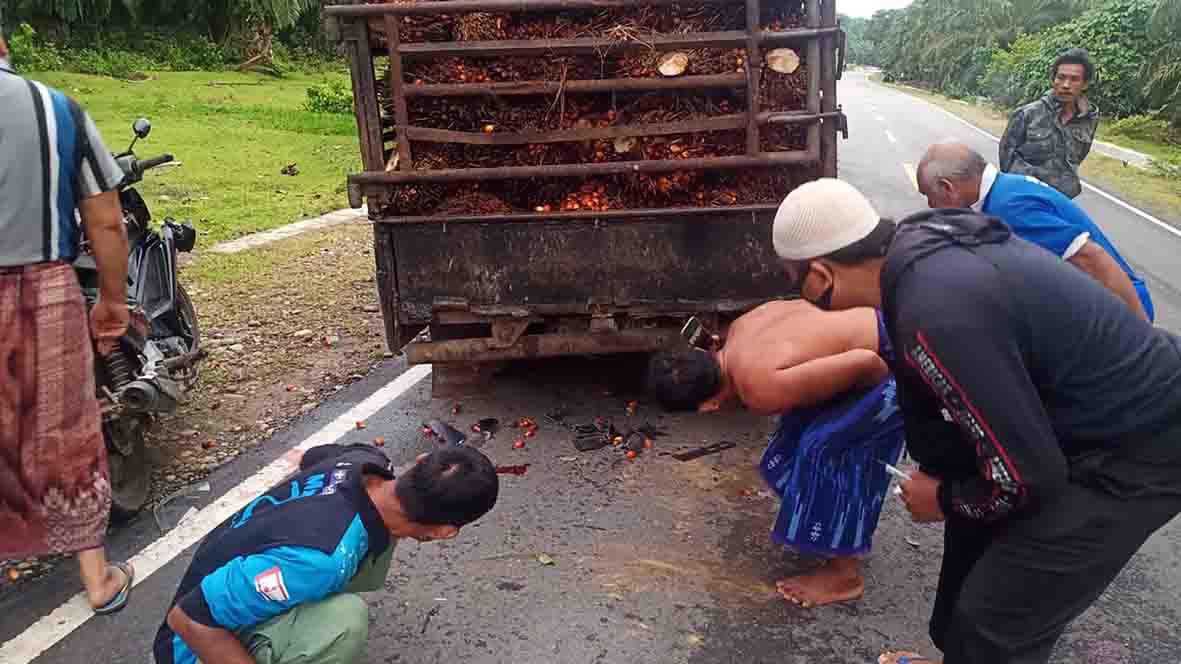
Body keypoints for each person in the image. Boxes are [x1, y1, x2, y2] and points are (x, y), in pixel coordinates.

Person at [771, 178, 1181, 664]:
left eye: (792, 281)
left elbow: (1029, 475)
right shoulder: (917, 245)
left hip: (1139, 448)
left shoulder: (937, 309)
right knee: (967, 564)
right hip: (1070, 423)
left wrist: (943, 497)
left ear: (819, 275)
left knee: (995, 621)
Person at [646, 298, 905, 608]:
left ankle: (845, 576)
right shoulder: (739, 330)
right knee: (797, 430)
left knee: (825, 449)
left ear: (708, 406)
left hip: (899, 359)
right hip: (884, 324)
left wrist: (860, 412)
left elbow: (866, 363)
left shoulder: (758, 387)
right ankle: (821, 521)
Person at [0, 33, 135, 613]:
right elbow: (106, 222)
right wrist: (112, 301)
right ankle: (97, 579)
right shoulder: (56, 109)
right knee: (67, 431)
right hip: (45, 290)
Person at [154, 443, 499, 664]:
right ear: (444, 532)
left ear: (421, 461)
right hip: (186, 647)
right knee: (343, 622)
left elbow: (310, 456)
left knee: (372, 542)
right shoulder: (319, 561)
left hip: (226, 576)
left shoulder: (366, 461)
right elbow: (187, 619)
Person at [917, 140, 1152, 321]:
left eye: (929, 195)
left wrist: (1146, 339)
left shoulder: (1008, 208)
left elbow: (1091, 258)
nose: (930, 206)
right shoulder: (1005, 188)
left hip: (1120, 310)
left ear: (948, 188)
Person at [999, 48, 1098, 199]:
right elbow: (1006, 158)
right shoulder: (1027, 114)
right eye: (1061, 77)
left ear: (1085, 84)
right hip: (1023, 196)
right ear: (1053, 80)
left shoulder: (1089, 119)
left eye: (1074, 79)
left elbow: (1078, 157)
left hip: (1060, 199)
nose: (1066, 84)